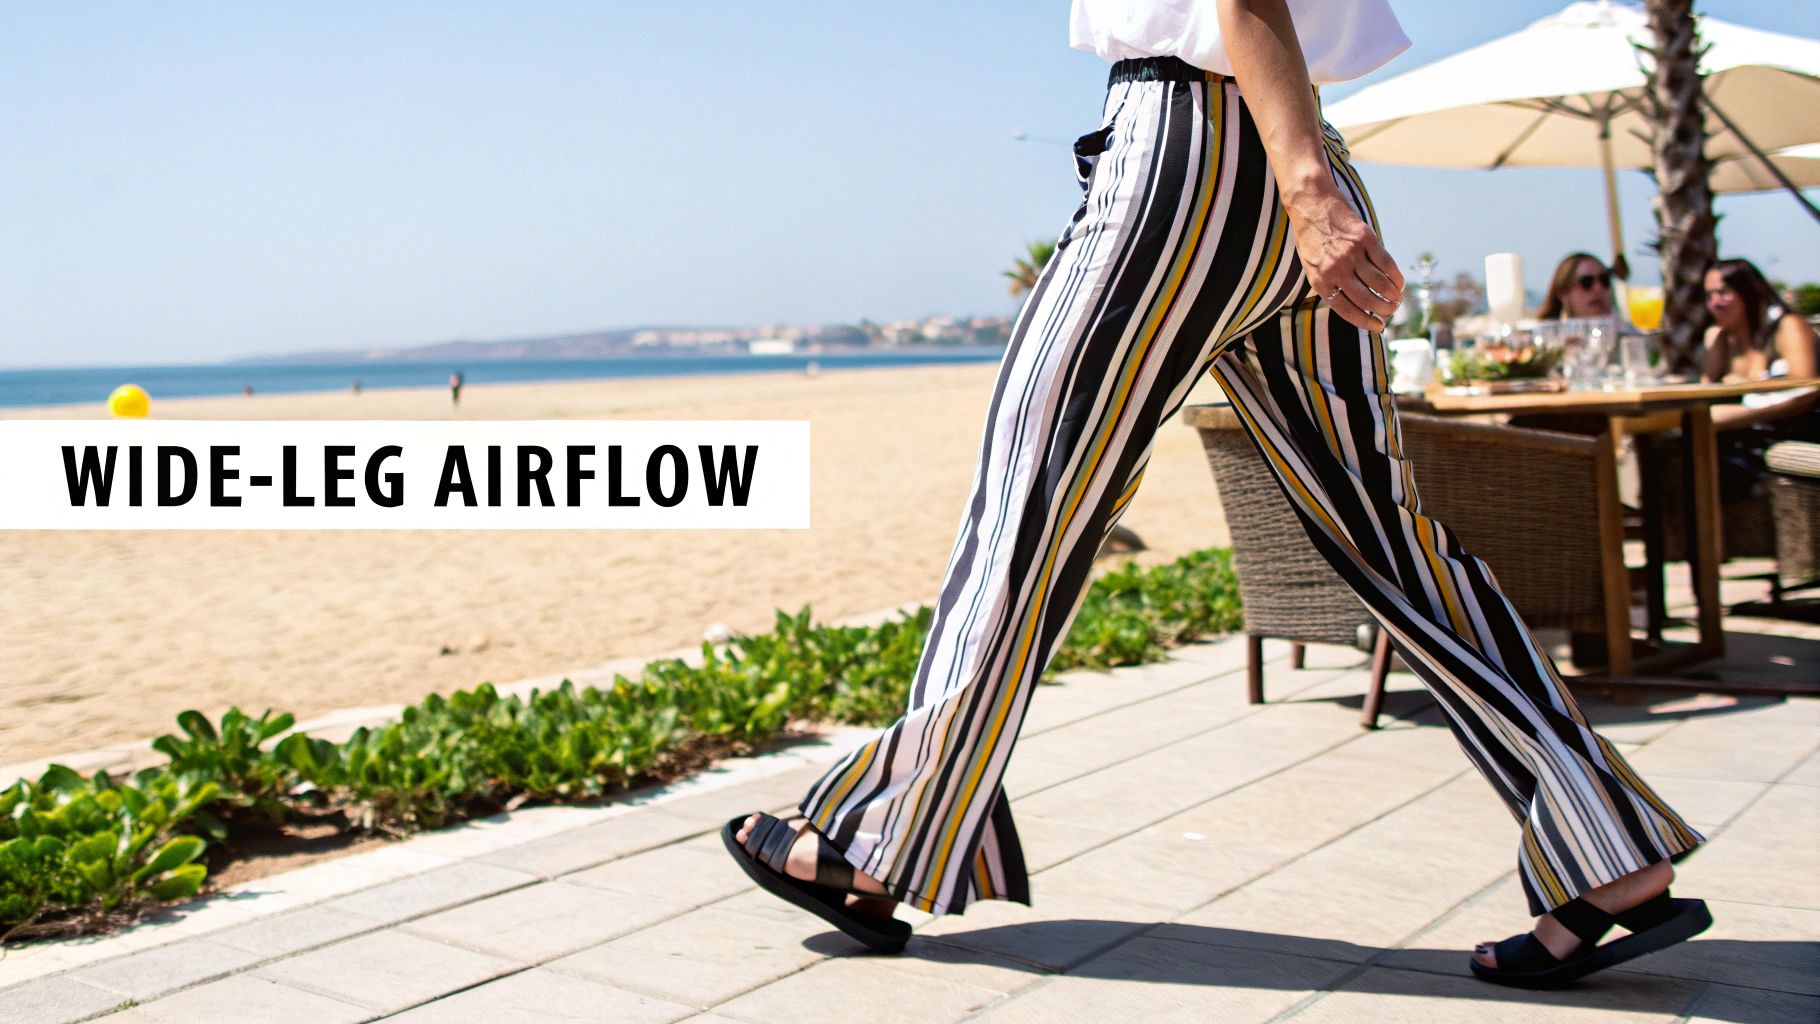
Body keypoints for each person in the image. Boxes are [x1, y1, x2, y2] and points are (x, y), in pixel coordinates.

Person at [723, 0, 1707, 990]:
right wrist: (1306, 182)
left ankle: (879, 840)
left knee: (1030, 501)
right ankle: (1604, 844)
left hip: (1191, 165)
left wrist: (1304, 185)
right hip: (1291, 150)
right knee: (1386, 540)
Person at [1699, 258, 1819, 500]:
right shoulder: (1723, 340)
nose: (1715, 303)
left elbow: (1807, 392)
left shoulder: (1787, 327)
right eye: (1709, 295)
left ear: (1749, 291)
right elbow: (1703, 395)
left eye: (1723, 292)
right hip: (1745, 439)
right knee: (1674, 453)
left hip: (1793, 434)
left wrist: (1742, 414)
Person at [1536, 252, 1615, 320]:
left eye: (1604, 280)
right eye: (1587, 282)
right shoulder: (1546, 332)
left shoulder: (1622, 329)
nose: (1598, 288)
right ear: (1563, 292)